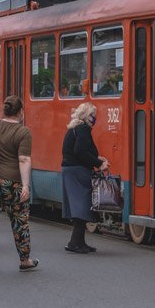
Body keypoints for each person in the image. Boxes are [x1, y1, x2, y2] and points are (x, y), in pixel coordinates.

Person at [0, 95, 38, 275]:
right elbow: (24, 159)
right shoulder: (23, 132)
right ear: (21, 112)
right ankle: (25, 260)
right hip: (13, 183)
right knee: (20, 221)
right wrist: (25, 186)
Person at [61, 102, 110, 253]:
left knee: (81, 206)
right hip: (77, 172)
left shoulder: (76, 128)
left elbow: (80, 151)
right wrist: (99, 164)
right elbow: (80, 152)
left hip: (72, 170)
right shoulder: (83, 129)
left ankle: (79, 242)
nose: (95, 118)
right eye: (92, 115)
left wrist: (97, 159)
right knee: (82, 206)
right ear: (86, 116)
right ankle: (74, 243)